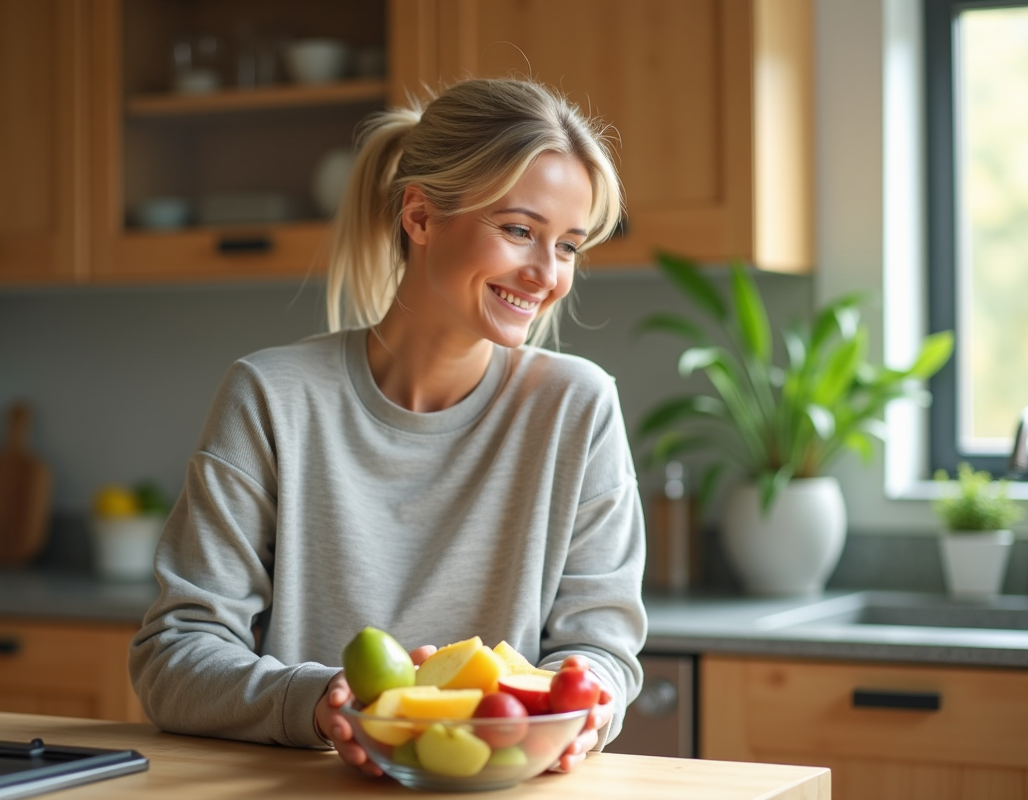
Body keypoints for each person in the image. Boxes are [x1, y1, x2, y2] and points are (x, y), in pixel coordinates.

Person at [128, 77, 649, 776]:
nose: (546, 274)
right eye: (520, 231)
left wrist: (584, 707)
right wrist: (318, 702)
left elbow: (603, 652)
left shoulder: (578, 407)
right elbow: (174, 655)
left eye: (569, 246)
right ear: (421, 216)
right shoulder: (273, 396)